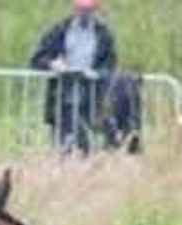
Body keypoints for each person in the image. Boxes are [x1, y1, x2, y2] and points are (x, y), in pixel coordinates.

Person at [30, 0, 117, 154]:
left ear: (96, 10)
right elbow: (37, 59)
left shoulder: (104, 34)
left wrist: (96, 74)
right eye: (81, 9)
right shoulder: (59, 30)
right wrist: (53, 64)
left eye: (88, 9)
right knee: (62, 148)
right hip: (61, 98)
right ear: (74, 8)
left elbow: (110, 66)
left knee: (87, 147)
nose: (84, 13)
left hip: (91, 98)